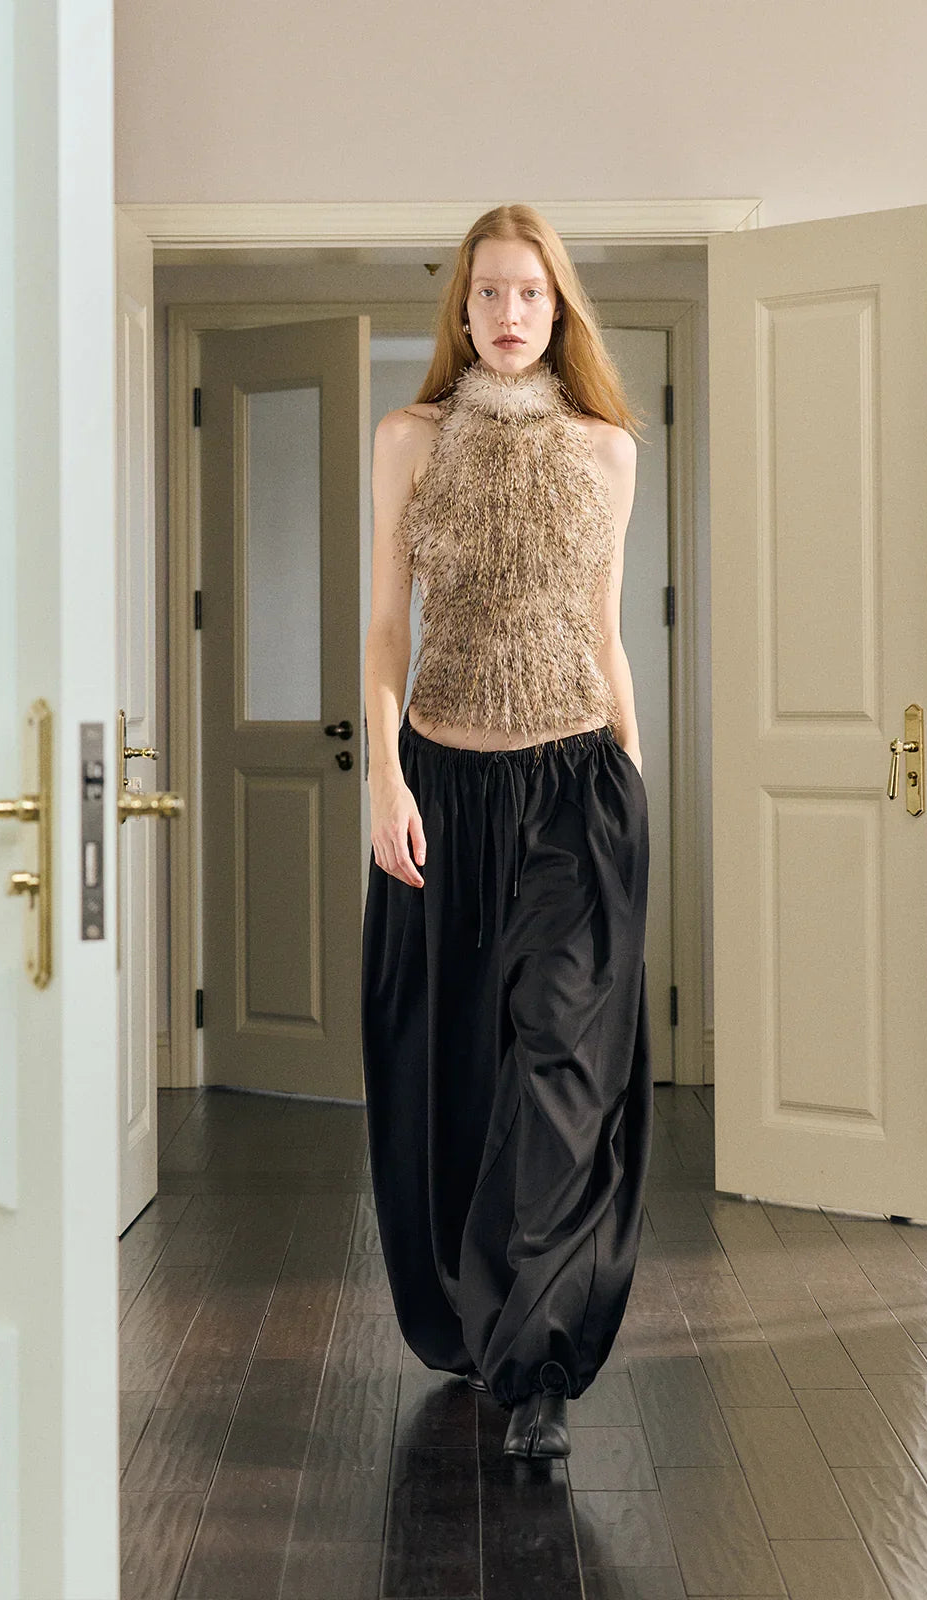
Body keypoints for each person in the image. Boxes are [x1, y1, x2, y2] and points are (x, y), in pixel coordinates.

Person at [360, 203, 653, 1461]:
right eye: (489, 291)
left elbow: (604, 632)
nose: (511, 312)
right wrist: (385, 777)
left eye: (531, 291)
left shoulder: (606, 451)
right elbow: (386, 628)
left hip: (579, 793)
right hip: (446, 787)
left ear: (559, 305)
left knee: (559, 1071)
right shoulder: (409, 439)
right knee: (455, 1069)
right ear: (464, 308)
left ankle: (538, 1368)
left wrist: (636, 776)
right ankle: (482, 1320)